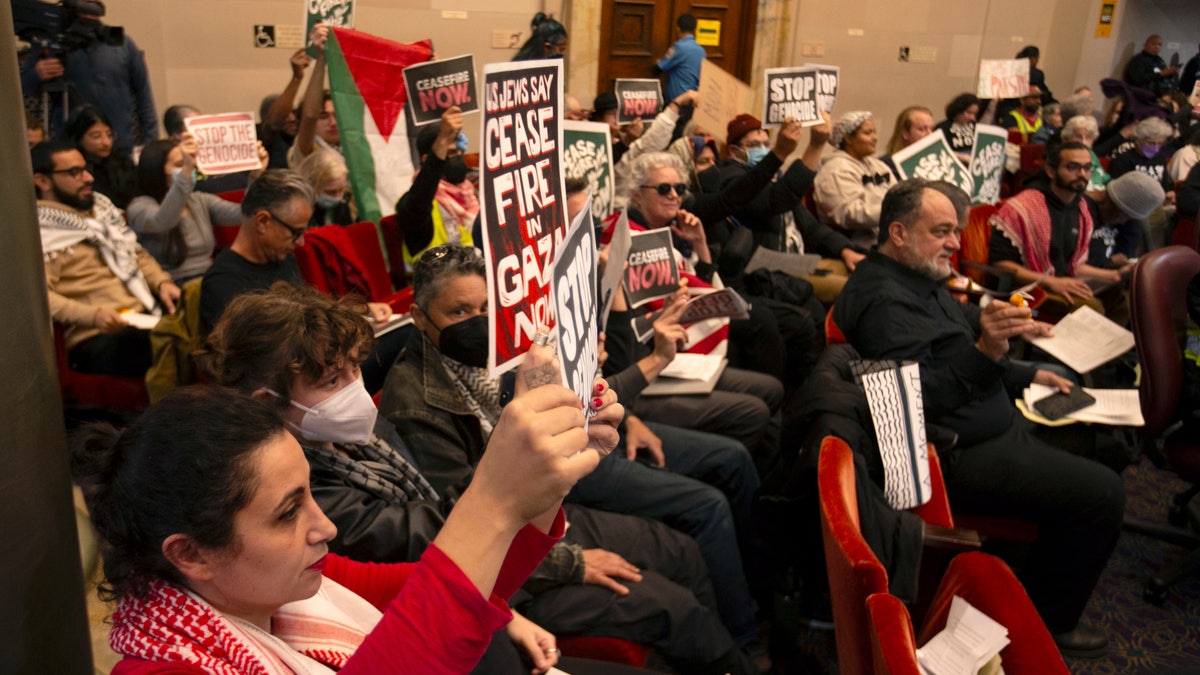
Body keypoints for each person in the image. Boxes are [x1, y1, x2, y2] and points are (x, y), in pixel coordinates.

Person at [200, 283, 748, 675]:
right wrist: (533, 460)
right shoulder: (306, 496)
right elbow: (440, 538)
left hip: (484, 581)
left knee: (678, 554)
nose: (355, 388)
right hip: (482, 586)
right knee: (672, 602)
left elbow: (438, 575)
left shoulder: (354, 435)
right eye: (331, 379)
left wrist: (555, 458)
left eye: (354, 370)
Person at [69, 366, 616, 673]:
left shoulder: (284, 588)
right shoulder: (162, 671)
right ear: (190, 554)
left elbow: (439, 591)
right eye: (287, 513)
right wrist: (493, 499)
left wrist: (549, 480)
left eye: (309, 493)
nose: (324, 526)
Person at [380, 245, 769, 665]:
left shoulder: (501, 351)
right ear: (419, 318)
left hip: (551, 497)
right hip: (515, 554)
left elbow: (558, 410)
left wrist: (586, 381)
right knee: (672, 600)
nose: (478, 323)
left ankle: (742, 646)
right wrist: (571, 561)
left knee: (682, 551)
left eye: (486, 308)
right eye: (459, 313)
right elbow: (462, 524)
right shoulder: (413, 403)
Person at [833, 178, 1124, 657]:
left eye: (955, 230)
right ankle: (1054, 622)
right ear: (900, 233)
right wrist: (990, 350)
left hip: (992, 421)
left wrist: (1023, 364)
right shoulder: (886, 301)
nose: (954, 243)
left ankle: (1026, 572)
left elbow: (962, 332)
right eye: (942, 231)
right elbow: (919, 398)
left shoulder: (919, 276)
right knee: (1104, 494)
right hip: (953, 455)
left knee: (1097, 436)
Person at [34, 140, 180, 376]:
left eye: (85, 169)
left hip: (143, 315)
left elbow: (135, 253)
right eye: (74, 172)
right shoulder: (39, 231)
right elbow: (40, 298)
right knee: (170, 345)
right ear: (42, 181)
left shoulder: (100, 208)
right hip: (98, 335)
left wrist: (162, 282)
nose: (88, 178)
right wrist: (94, 316)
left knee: (201, 311)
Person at [989, 142, 1127, 307]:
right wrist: (1050, 282)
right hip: (1027, 289)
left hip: (1060, 281)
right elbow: (1000, 264)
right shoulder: (1022, 208)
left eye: (1087, 168)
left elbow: (1075, 266)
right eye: (1073, 167)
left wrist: (1114, 275)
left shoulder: (1082, 207)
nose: (1082, 174)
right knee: (1091, 306)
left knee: (1124, 298)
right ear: (1051, 171)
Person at [127, 134, 261, 282]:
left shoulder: (198, 199)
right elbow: (163, 220)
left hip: (209, 277)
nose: (190, 168)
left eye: (190, 164)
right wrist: (185, 173)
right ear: (157, 169)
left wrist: (255, 176)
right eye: (180, 164)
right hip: (171, 285)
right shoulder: (139, 206)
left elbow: (243, 214)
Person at [20, 28, 157, 153]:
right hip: (70, 147)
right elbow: (25, 89)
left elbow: (144, 96)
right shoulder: (51, 43)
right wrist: (37, 74)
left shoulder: (123, 44)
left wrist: (151, 143)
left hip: (120, 146)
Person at [393, 107, 476, 267]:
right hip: (439, 285)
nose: (459, 159)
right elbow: (425, 186)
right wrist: (442, 141)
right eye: (451, 154)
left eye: (460, 152)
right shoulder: (414, 205)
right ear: (426, 159)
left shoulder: (470, 195)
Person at [813, 111, 895, 248]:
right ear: (848, 139)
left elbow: (898, 195)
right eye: (868, 133)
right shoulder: (835, 169)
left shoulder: (879, 166)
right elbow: (849, 214)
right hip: (858, 244)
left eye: (874, 132)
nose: (875, 138)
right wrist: (896, 212)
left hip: (887, 236)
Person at [63, 105, 137, 210]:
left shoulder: (122, 162)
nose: (106, 142)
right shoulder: (68, 168)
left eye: (109, 134)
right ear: (77, 138)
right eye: (96, 136)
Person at [1089, 172, 1166, 270]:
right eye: (1125, 216)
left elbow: (1126, 254)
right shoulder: (1078, 211)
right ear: (1115, 206)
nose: (1123, 222)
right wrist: (1108, 262)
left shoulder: (1130, 222)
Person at [1107, 116, 1177, 197]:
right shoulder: (1122, 160)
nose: (1156, 148)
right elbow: (1117, 193)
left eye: (1160, 143)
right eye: (1151, 143)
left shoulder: (1159, 158)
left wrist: (1169, 194)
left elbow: (1166, 187)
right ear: (1138, 140)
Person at [297, 149, 356, 227]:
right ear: (310, 186)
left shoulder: (343, 203)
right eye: (331, 192)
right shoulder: (297, 214)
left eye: (341, 189)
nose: (338, 197)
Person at [655, 14, 706, 101]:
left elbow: (658, 69)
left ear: (678, 29)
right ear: (694, 30)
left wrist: (657, 62)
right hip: (693, 98)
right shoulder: (701, 51)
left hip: (678, 100)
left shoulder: (678, 47)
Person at [933, 93, 993, 163]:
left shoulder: (975, 127)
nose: (972, 118)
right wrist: (962, 157)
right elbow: (938, 150)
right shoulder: (943, 127)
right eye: (969, 113)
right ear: (959, 109)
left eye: (974, 114)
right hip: (956, 160)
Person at [1060, 114, 1110, 193]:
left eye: (1089, 137)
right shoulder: (1063, 156)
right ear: (1067, 138)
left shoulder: (1092, 155)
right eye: (1078, 137)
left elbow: (1104, 178)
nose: (1084, 142)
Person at [881, 105, 935, 175]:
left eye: (932, 129)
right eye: (922, 129)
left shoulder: (934, 159)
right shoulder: (887, 165)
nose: (930, 135)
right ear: (905, 133)